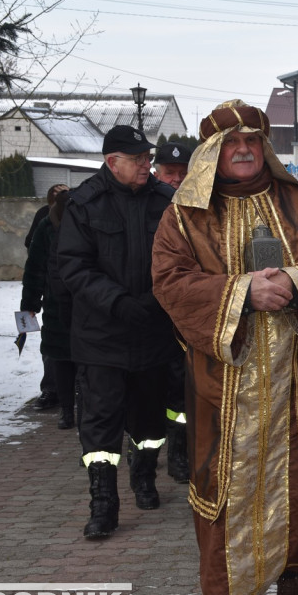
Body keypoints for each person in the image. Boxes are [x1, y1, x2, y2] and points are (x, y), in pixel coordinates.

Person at [151, 100, 298, 595]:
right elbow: (169, 280)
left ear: (265, 145)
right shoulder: (184, 214)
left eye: (253, 140)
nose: (243, 150)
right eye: (229, 143)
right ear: (210, 152)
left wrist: (294, 283)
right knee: (225, 497)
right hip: (225, 386)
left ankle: (288, 573)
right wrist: (240, 292)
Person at [58, 125, 180, 540]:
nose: (148, 165)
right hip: (101, 336)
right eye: (139, 160)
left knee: (149, 420)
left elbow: (183, 259)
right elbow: (73, 266)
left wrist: (156, 301)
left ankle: (144, 476)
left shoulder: (166, 202)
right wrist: (117, 302)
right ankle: (103, 502)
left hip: (153, 331)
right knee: (100, 424)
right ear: (113, 162)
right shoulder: (84, 203)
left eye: (148, 158)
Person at [152, 140, 194, 483]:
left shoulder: (198, 207)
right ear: (157, 172)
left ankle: (179, 451)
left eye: (183, 173)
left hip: (184, 315)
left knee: (181, 391)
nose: (177, 180)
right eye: (170, 173)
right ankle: (146, 459)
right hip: (148, 313)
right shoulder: (148, 204)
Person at [20, 188, 76, 430]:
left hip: (86, 303)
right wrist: (29, 306)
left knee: (83, 361)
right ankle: (67, 409)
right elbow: (35, 267)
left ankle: (81, 409)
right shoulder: (46, 226)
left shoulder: (87, 222)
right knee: (61, 361)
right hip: (56, 305)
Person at [26, 183, 69, 410]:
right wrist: (30, 304)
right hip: (52, 295)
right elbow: (34, 259)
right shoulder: (45, 219)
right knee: (53, 348)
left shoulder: (80, 216)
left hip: (80, 297)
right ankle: (51, 390)